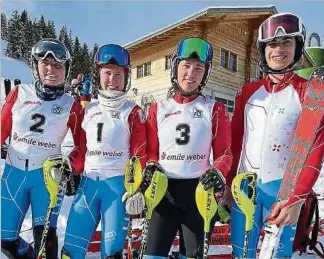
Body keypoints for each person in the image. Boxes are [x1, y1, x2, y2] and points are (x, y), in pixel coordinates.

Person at [230, 13, 324, 258]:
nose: (279, 50)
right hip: (245, 188)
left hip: (283, 191)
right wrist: (226, 189)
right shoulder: (247, 93)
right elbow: (235, 143)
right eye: (272, 44)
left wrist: (298, 197)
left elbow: (315, 149)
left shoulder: (307, 92)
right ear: (263, 49)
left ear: (297, 47)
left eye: (286, 43)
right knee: (241, 254)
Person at [142, 37, 232, 259]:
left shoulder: (215, 109)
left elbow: (225, 153)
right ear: (175, 67)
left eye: (198, 68)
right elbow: (150, 152)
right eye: (186, 66)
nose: (191, 73)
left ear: (205, 73)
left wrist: (218, 171)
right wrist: (150, 167)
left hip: (199, 194)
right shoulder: (157, 109)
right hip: (163, 193)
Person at [61, 44, 147, 259]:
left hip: (117, 190)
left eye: (118, 74)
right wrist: (69, 166)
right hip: (88, 186)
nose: (112, 79)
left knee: (111, 253)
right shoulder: (88, 110)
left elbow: (140, 154)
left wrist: (137, 188)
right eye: (107, 73)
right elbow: (81, 150)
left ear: (126, 77)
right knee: (70, 251)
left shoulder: (132, 111)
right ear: (98, 74)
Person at [1, 38, 83, 259]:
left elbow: (82, 145)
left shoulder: (71, 105)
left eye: (58, 66)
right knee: (5, 239)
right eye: (45, 63)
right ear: (35, 66)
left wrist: (71, 166)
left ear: (66, 70)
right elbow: (1, 130)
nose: (51, 70)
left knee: (46, 240)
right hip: (13, 175)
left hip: (47, 179)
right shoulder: (18, 93)